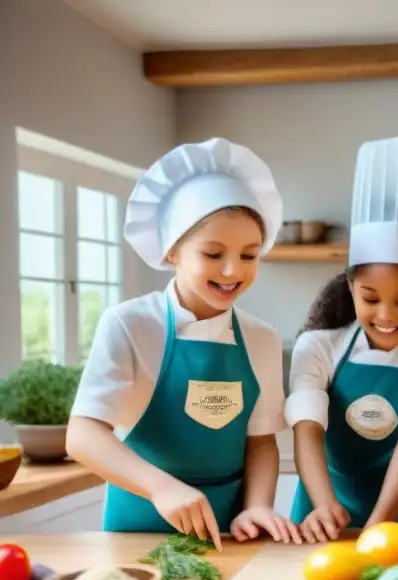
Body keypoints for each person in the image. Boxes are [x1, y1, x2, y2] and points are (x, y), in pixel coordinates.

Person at [67, 137, 301, 549]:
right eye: (213, 253)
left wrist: (259, 506)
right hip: (138, 523)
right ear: (173, 250)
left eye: (249, 255)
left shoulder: (261, 338)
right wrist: (162, 488)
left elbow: (261, 442)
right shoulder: (129, 324)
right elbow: (83, 435)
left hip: (231, 528)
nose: (233, 271)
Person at [286, 135, 398, 541]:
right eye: (371, 298)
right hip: (323, 507)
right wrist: (323, 505)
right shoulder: (318, 347)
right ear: (351, 285)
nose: (386, 316)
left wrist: (379, 526)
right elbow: (306, 429)